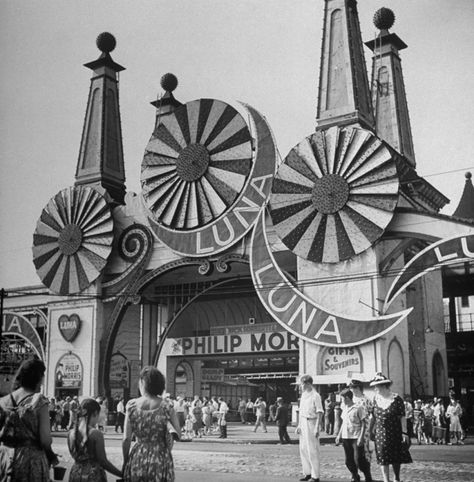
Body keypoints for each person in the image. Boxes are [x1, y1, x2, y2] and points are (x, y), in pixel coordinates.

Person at [0, 359, 58, 481]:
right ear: (38, 378)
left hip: (4, 457)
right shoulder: (39, 401)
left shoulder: (3, 401)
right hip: (30, 460)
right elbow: (45, 440)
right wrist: (51, 455)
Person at [122, 366, 180, 481]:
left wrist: (125, 461)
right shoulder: (167, 406)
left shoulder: (132, 406)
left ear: (143, 383)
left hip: (138, 455)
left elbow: (126, 439)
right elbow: (178, 434)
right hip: (161, 456)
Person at [369, 373, 412, 482]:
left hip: (395, 431)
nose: (375, 389)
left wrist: (404, 432)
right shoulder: (375, 399)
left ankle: (396, 478)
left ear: (383, 386)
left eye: (376, 386)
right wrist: (370, 431)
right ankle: (385, 479)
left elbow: (402, 417)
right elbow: (372, 417)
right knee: (383, 456)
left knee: (395, 456)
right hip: (380, 432)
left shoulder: (397, 399)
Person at [68, 398, 122, 481]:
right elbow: (103, 461)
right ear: (95, 413)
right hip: (92, 474)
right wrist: (121, 474)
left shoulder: (71, 433)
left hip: (75, 472)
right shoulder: (96, 434)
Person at [335, 388, 372, 482]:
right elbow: (343, 423)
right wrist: (339, 435)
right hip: (345, 437)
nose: (342, 401)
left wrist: (361, 437)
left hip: (356, 437)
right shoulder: (345, 408)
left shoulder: (358, 408)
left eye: (342, 398)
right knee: (348, 461)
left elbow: (364, 423)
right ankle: (355, 476)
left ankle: (368, 476)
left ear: (347, 398)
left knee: (359, 459)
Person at [295, 374, 323, 482]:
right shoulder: (303, 395)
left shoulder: (315, 395)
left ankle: (315, 476)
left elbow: (319, 412)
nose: (301, 386)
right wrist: (299, 425)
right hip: (303, 422)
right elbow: (301, 411)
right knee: (303, 449)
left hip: (312, 422)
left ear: (307, 384)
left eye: (302, 384)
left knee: (312, 450)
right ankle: (307, 473)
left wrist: (317, 427)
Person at [348, 379, 373, 463]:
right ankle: (354, 471)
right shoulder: (350, 399)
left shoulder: (366, 400)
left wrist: (371, 428)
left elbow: (371, 414)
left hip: (364, 428)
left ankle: (366, 466)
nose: (351, 390)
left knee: (364, 449)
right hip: (351, 428)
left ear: (358, 388)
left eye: (352, 387)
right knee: (351, 451)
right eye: (350, 388)